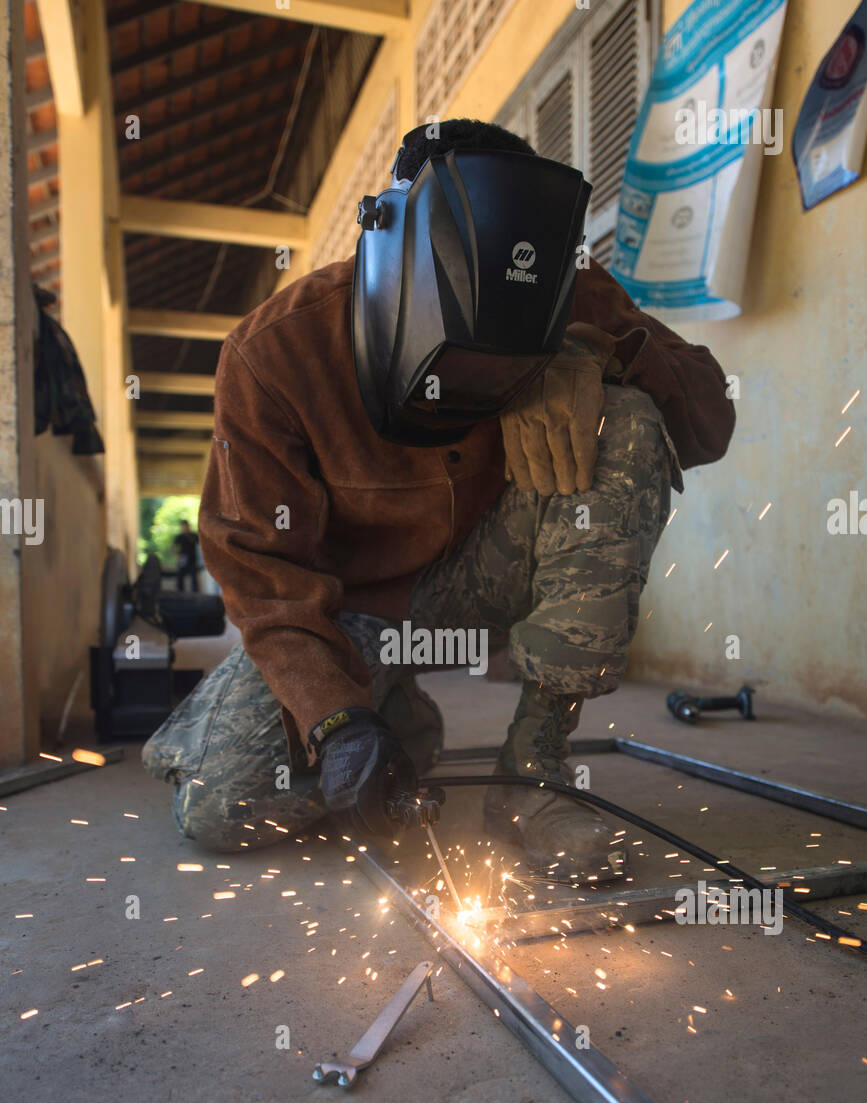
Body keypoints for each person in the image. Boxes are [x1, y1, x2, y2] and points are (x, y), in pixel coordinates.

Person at [143, 118, 735, 882]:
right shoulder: (275, 353)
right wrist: (336, 716)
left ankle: (533, 776)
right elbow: (258, 567)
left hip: (488, 581)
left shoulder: (567, 290)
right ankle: (385, 712)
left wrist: (590, 351)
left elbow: (708, 422)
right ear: (388, 248)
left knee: (621, 420)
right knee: (225, 808)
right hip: (351, 612)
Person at [173, 519, 199, 592]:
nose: (185, 528)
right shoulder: (180, 537)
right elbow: (174, 547)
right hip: (183, 559)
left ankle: (195, 594)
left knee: (194, 578)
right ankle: (180, 592)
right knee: (180, 576)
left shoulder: (194, 536)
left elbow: (201, 545)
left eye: (186, 526)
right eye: (183, 526)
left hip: (193, 559)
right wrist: (176, 556)